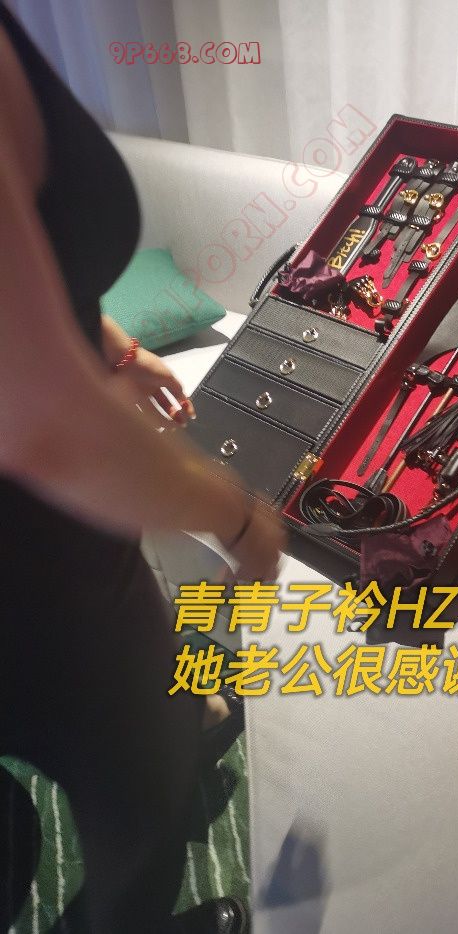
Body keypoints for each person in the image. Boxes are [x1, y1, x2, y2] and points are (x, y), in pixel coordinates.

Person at [0, 5, 284, 933]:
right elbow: (50, 430)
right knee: (144, 809)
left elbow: (32, 254)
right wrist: (238, 516)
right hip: (36, 566)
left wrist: (110, 343)